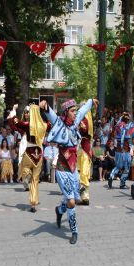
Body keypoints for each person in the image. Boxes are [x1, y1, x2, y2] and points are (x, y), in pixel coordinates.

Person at [40, 98, 99, 244]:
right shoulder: (59, 123)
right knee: (72, 201)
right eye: (72, 111)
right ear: (66, 113)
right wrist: (45, 106)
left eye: (75, 111)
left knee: (70, 199)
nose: (75, 114)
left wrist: (91, 101)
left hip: (73, 170)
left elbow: (84, 110)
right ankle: (74, 232)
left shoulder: (75, 123)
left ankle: (59, 211)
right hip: (62, 168)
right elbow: (51, 114)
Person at [8, 102, 49, 213]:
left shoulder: (27, 125)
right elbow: (51, 122)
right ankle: (33, 204)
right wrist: (45, 110)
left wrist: (13, 111)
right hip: (39, 153)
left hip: (29, 150)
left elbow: (16, 121)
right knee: (35, 181)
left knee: (24, 166)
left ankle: (26, 175)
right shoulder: (43, 126)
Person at [108, 111, 134, 190]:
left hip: (118, 149)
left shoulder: (117, 125)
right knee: (127, 167)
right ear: (127, 120)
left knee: (118, 166)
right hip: (125, 149)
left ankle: (111, 176)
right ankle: (122, 184)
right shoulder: (126, 126)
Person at [77, 106, 94, 205]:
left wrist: (78, 124)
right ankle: (84, 197)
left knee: (83, 173)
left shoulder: (85, 120)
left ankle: (85, 196)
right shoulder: (86, 120)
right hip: (82, 148)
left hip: (84, 149)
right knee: (81, 172)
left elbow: (84, 129)